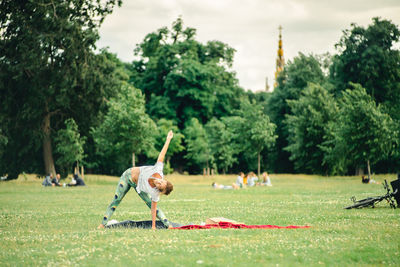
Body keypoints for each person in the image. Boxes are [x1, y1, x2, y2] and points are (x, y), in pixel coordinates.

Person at [98, 130, 174, 230]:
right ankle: (103, 224)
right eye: (162, 181)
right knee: (116, 199)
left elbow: (153, 209)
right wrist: (168, 139)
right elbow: (162, 155)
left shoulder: (155, 192)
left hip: (138, 188)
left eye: (160, 185)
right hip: (127, 176)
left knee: (151, 204)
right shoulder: (158, 170)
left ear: (159, 189)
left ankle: (168, 225)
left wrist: (153, 226)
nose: (159, 182)